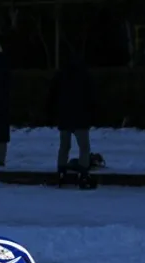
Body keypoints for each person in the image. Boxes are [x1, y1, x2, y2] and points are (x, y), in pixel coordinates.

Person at [47, 51, 97, 187]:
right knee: (84, 147)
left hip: (64, 115)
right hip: (81, 116)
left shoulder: (61, 75)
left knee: (64, 146)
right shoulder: (85, 75)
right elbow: (91, 96)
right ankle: (83, 174)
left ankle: (61, 173)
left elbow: (52, 95)